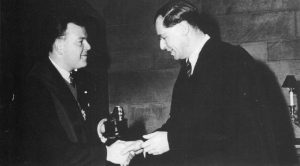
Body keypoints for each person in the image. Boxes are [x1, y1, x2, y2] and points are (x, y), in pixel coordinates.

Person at [139, 0, 299, 165]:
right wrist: (144, 143)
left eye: (164, 37)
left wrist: (172, 140)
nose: (161, 46)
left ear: (184, 28)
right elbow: (181, 122)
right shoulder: (188, 68)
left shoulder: (230, 58)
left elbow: (232, 127)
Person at [15, 13, 139, 166]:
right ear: (60, 46)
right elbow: (51, 152)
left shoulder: (79, 80)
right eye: (81, 41)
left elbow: (75, 126)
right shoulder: (35, 87)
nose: (89, 46)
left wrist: (97, 128)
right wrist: (107, 153)